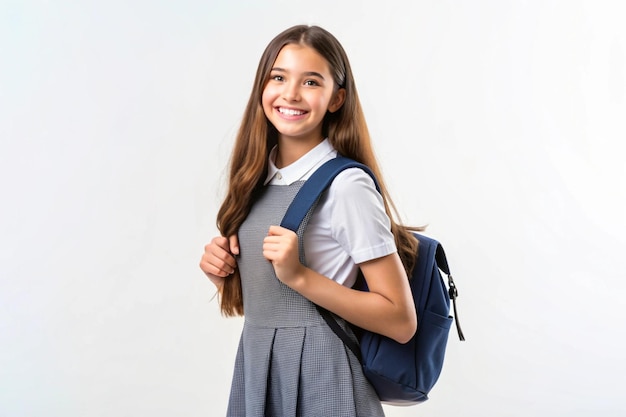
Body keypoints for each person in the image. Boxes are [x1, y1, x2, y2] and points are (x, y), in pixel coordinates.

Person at [199, 24, 420, 417]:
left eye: (311, 82)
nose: (291, 94)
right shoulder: (256, 180)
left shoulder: (347, 185)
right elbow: (273, 312)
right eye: (279, 77)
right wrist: (227, 277)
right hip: (260, 368)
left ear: (336, 99)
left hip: (325, 379)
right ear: (262, 87)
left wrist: (300, 275)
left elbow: (401, 320)